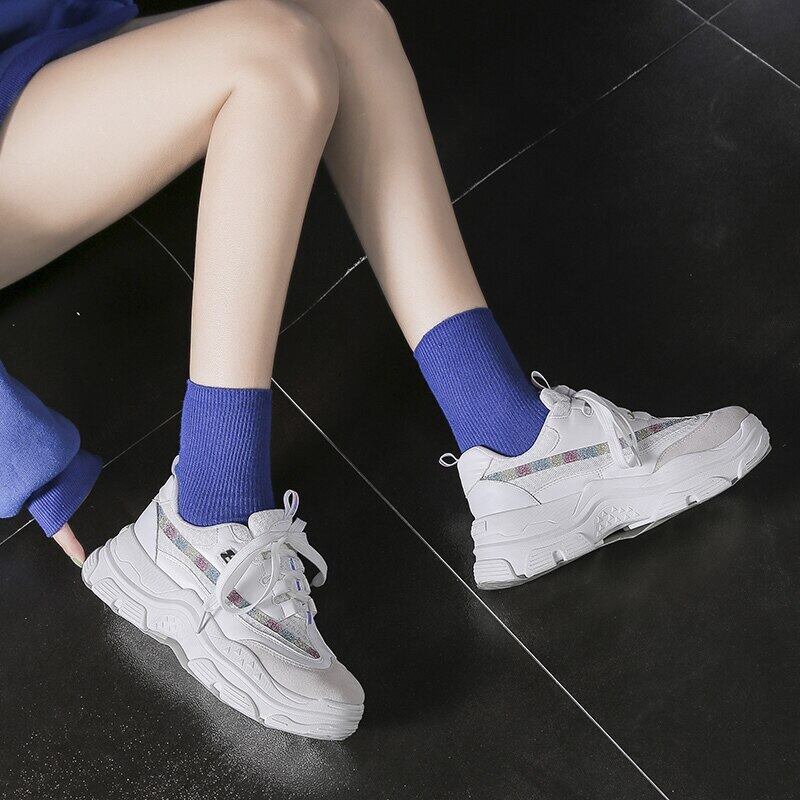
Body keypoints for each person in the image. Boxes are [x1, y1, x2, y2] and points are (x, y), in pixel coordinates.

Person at [0, 0, 770, 739]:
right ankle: (204, 512)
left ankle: (515, 443)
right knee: (275, 55)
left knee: (346, 21)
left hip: (48, 40)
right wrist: (30, 464)